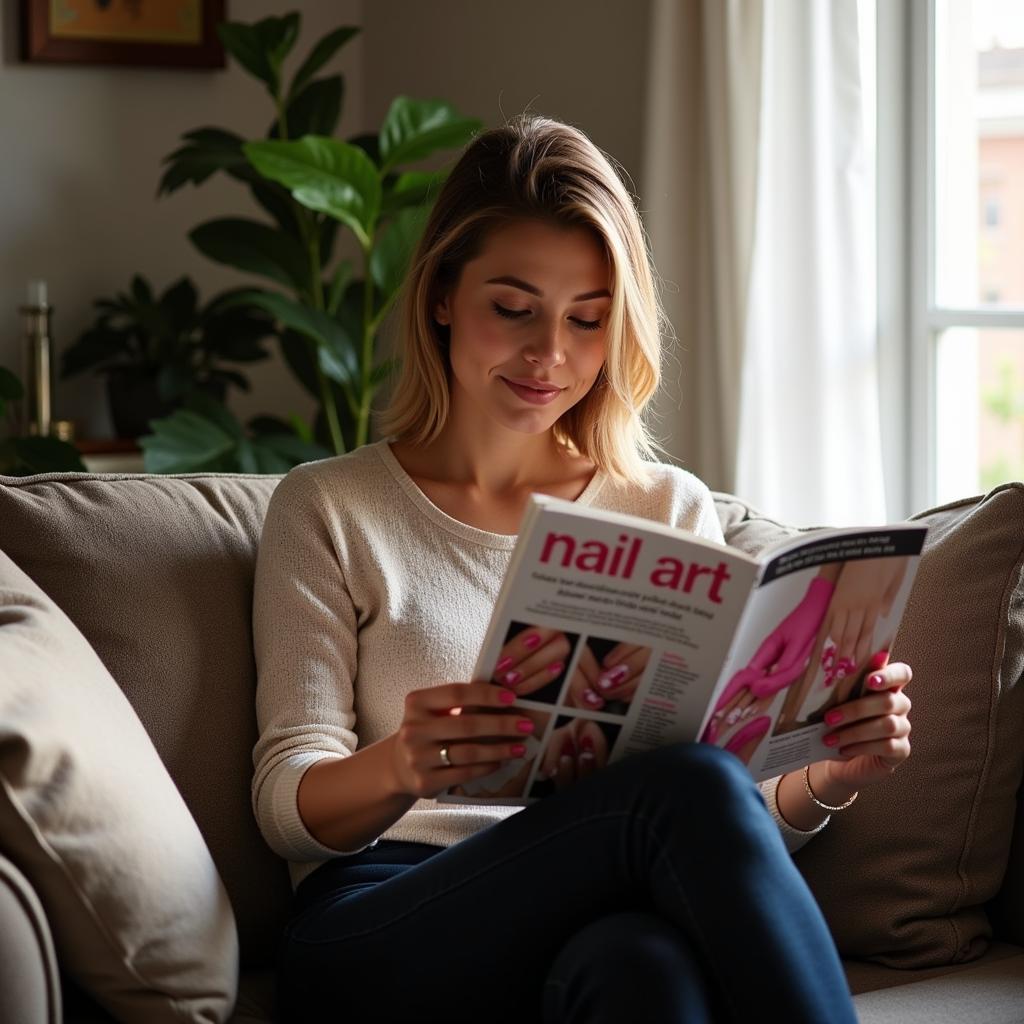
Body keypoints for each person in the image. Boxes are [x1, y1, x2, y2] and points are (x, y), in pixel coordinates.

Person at [252, 113, 913, 1023]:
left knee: (644, 968)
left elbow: (719, 832)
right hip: (379, 922)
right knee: (683, 794)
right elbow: (284, 804)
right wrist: (402, 764)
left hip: (596, 908)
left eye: (588, 320)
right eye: (513, 309)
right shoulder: (328, 506)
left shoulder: (665, 506)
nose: (550, 355)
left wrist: (825, 776)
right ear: (443, 295)